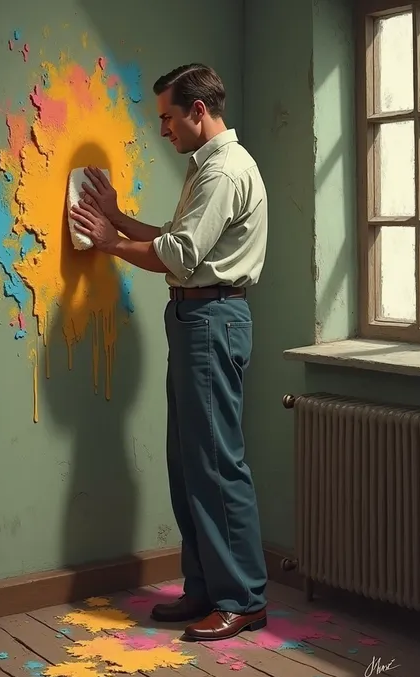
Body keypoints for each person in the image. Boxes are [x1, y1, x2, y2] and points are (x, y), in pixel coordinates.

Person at [70, 63, 269, 642]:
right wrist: (113, 218)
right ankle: (207, 590)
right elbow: (174, 241)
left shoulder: (225, 171)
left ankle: (244, 599)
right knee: (188, 464)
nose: (163, 129)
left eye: (167, 117)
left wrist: (109, 243)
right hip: (193, 317)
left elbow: (179, 257)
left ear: (197, 111)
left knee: (215, 463)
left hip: (211, 317)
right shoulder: (205, 167)